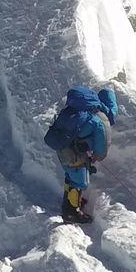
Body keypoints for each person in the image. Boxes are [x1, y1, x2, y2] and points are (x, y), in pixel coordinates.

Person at [44, 86, 119, 224]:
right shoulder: (96, 119)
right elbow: (101, 142)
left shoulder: (72, 111)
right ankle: (72, 212)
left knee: (70, 175)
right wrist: (98, 155)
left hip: (62, 151)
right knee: (79, 181)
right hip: (75, 155)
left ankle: (70, 200)